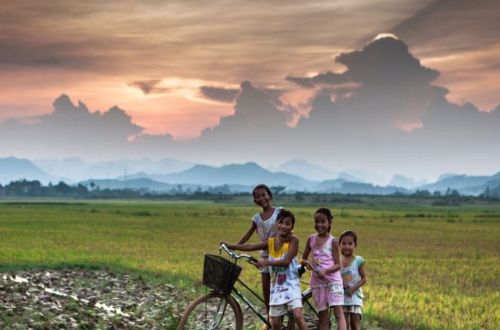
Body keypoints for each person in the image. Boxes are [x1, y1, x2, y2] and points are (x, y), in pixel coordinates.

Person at [226, 209, 308, 330]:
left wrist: (266, 262)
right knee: (274, 323)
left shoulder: (293, 240)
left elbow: (285, 262)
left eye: (287, 224)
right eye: (281, 222)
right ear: (276, 224)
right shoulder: (271, 242)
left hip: (291, 285)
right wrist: (232, 246)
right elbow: (252, 246)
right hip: (276, 288)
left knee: (297, 315)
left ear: (292, 227)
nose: (283, 226)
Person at [235, 184, 282, 313]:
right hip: (265, 257)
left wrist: (234, 246)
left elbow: (286, 232)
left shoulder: (280, 212)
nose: (261, 198)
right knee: (266, 294)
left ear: (270, 196)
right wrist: (235, 247)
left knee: (280, 293)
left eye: (263, 195)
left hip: (280, 257)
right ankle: (270, 320)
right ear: (255, 201)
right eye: (257, 197)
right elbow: (248, 234)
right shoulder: (256, 219)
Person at [301, 208, 346, 330]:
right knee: (323, 317)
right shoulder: (311, 239)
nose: (319, 225)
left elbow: (338, 265)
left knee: (338, 313)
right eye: (317, 221)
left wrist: (325, 271)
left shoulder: (333, 241)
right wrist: (307, 264)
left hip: (333, 281)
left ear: (329, 223)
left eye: (323, 222)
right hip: (318, 283)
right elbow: (303, 259)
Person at [339, 230, 367, 330]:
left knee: (355, 324)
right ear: (339, 245)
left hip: (355, 297)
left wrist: (353, 289)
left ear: (355, 245)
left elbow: (364, 279)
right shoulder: (338, 262)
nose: (347, 246)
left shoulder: (358, 261)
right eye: (344, 243)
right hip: (342, 298)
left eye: (350, 244)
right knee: (343, 325)